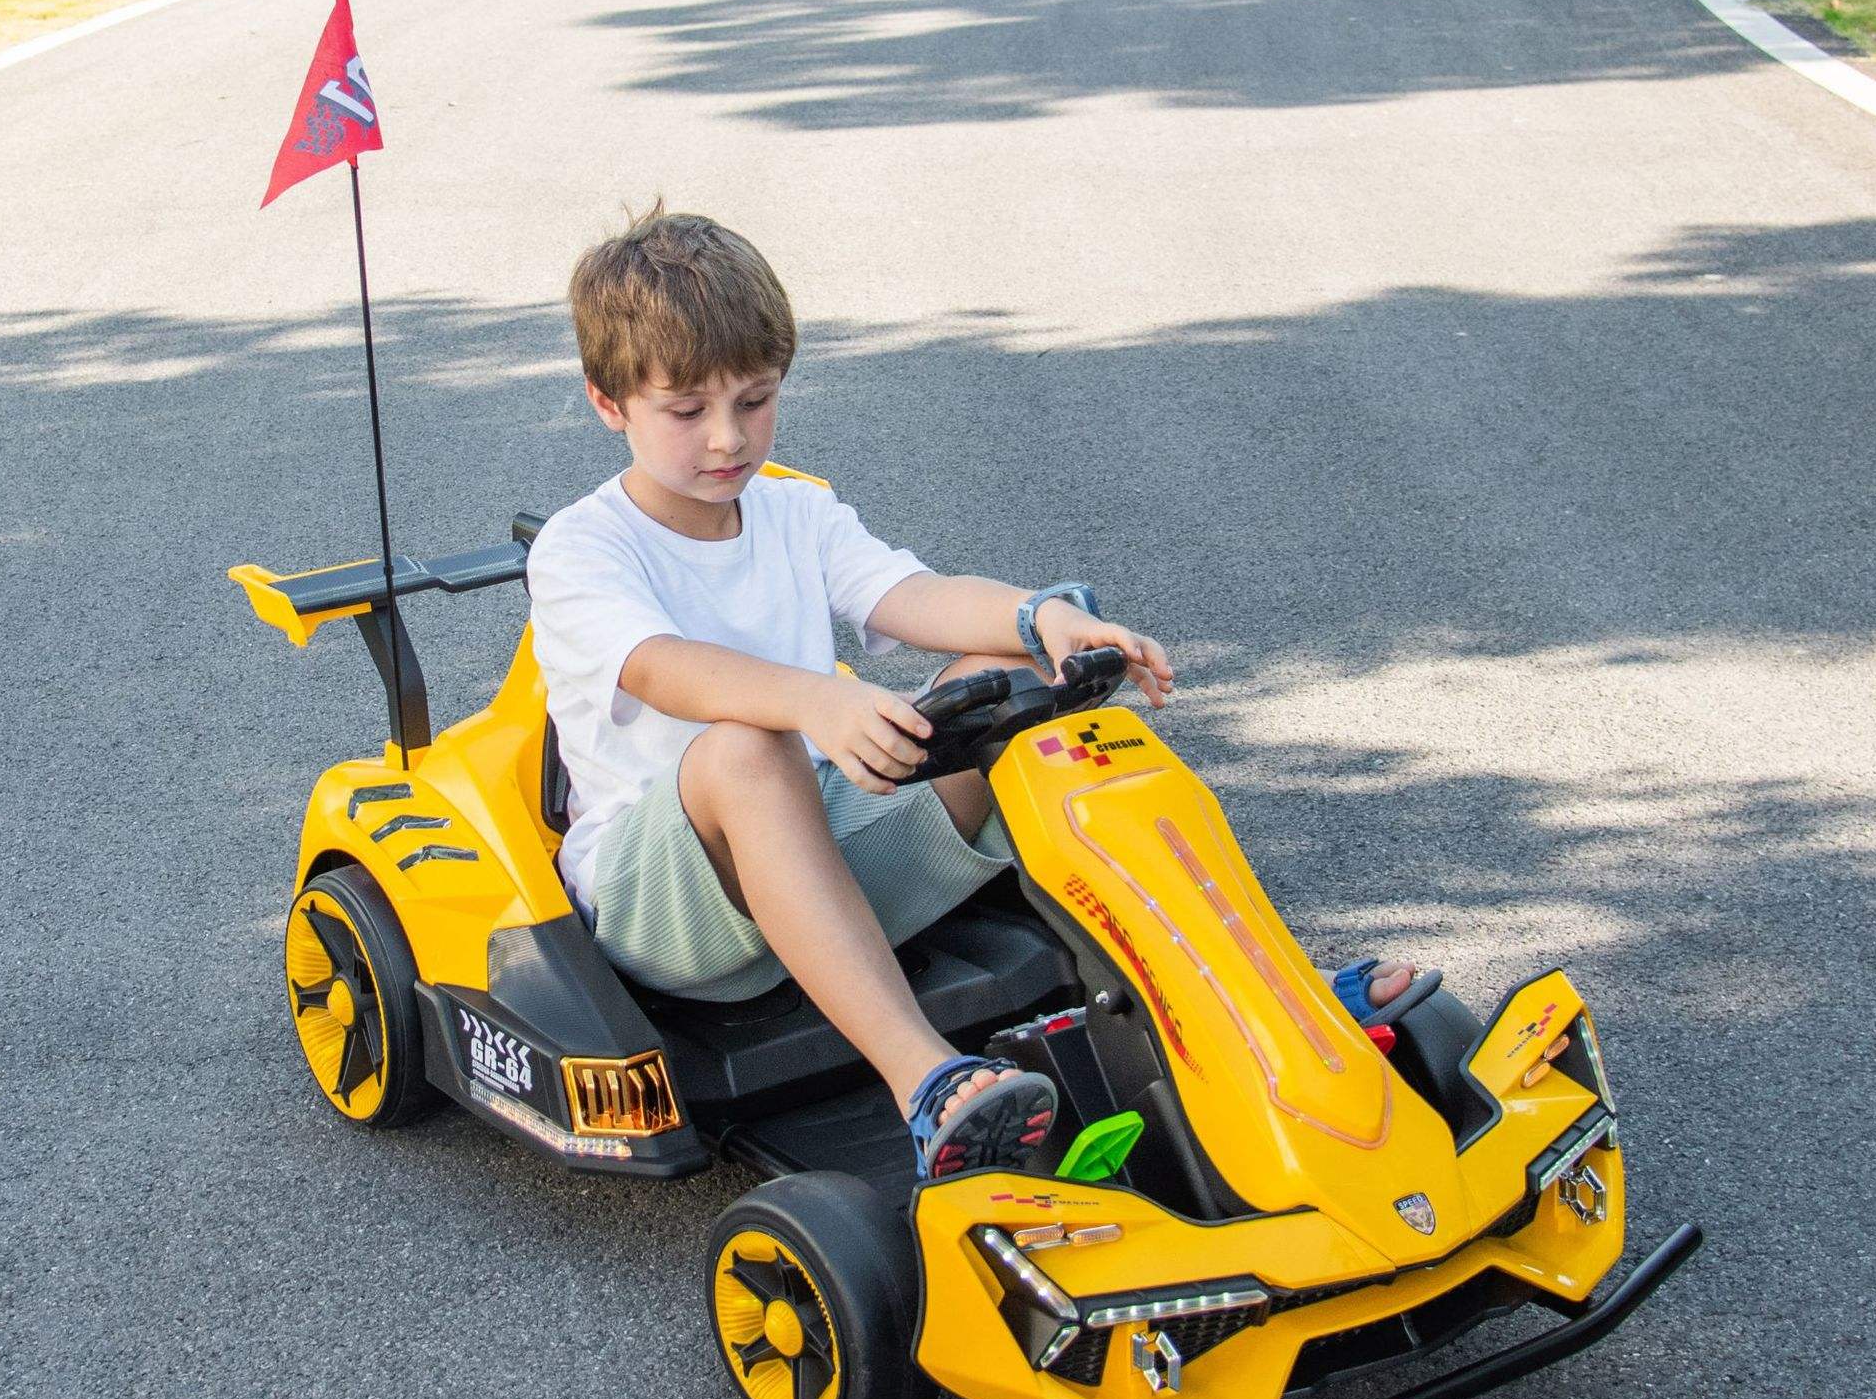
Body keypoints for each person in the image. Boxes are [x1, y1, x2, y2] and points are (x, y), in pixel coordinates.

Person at [527, 202, 1424, 1179]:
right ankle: (931, 1085)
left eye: (755, 399)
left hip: (819, 844)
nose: (727, 437)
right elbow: (663, 666)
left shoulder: (791, 508)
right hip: (664, 901)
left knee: (1011, 686)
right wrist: (815, 700)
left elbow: (912, 594)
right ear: (609, 402)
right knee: (749, 745)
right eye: (687, 410)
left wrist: (1041, 620)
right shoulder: (586, 546)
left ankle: (1268, 1002)